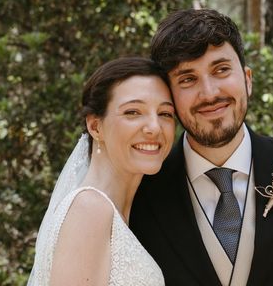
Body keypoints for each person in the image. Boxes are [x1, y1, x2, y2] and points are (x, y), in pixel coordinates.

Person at [130, 9, 273, 285]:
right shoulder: (142, 190)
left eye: (221, 70)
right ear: (168, 96)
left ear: (248, 79)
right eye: (188, 79)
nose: (210, 93)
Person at [28, 57, 176, 286]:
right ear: (95, 127)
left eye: (165, 113)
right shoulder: (89, 209)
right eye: (133, 112)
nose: (155, 128)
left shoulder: (120, 212)